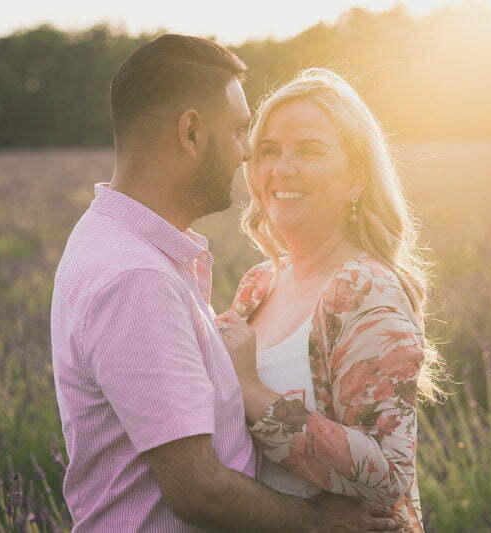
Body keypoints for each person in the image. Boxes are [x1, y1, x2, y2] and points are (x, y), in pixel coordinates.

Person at [50, 35, 404, 531]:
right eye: (245, 135)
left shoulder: (131, 250)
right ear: (191, 134)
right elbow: (199, 490)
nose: (246, 155)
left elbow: (389, 470)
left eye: (308, 150)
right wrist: (317, 524)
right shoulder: (137, 276)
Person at [215, 68, 449, 533]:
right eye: (268, 151)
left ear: (357, 177)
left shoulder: (367, 290)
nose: (281, 170)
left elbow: (386, 475)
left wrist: (251, 390)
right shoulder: (258, 284)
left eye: (309, 150)